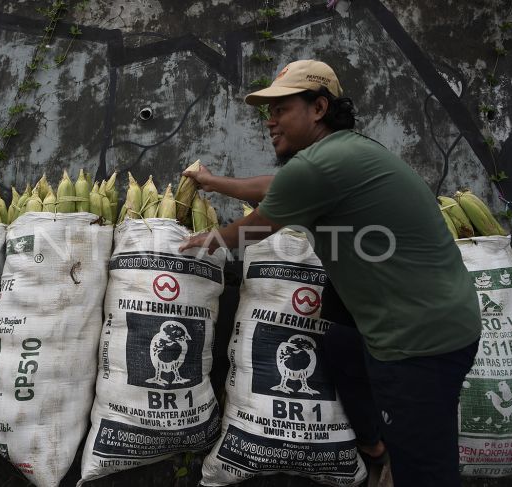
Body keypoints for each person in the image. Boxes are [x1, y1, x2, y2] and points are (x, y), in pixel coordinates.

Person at [180, 59, 481, 486]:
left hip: (418, 342)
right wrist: (213, 181)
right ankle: (375, 444)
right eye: (269, 111)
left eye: (281, 109)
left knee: (426, 472)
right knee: (339, 338)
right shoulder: (342, 153)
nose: (270, 121)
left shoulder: (319, 166)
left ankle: (398, 454)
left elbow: (251, 231)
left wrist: (201, 243)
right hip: (437, 315)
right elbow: (273, 186)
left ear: (318, 108)